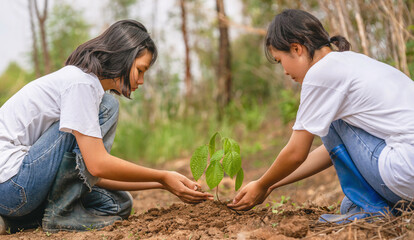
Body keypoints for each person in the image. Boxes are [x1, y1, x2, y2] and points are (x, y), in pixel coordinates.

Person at [0, 19, 212, 234]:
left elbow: (89, 173)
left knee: (117, 204)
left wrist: (161, 183)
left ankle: (15, 222)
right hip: (13, 186)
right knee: (107, 106)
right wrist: (161, 175)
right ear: (124, 57)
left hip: (24, 186)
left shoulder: (87, 86)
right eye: (140, 70)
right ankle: (60, 214)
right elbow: (97, 165)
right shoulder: (80, 83)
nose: (141, 81)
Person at [228, 9, 414, 223]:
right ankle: (378, 207)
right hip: (407, 169)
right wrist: (271, 183)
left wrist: (261, 185)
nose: (285, 72)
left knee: (358, 200)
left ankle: (373, 211)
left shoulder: (321, 74)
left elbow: (297, 152)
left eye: (280, 61)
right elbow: (333, 151)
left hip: (405, 169)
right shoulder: (352, 62)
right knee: (349, 205)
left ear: (296, 48)